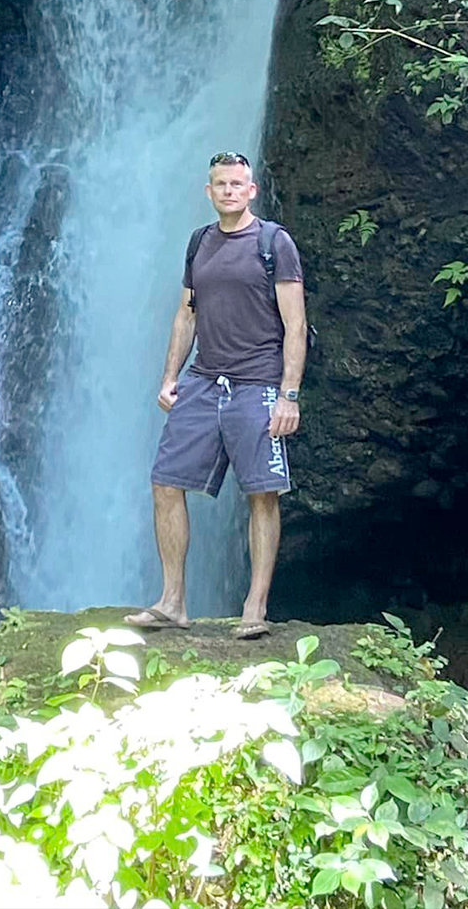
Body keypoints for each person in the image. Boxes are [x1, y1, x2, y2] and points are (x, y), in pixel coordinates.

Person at [126, 152, 307, 640]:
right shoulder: (199, 243)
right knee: (166, 482)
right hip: (203, 381)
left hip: (258, 385)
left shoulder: (274, 243)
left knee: (262, 495)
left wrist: (288, 395)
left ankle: (255, 606)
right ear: (209, 192)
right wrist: (170, 375)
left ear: (252, 191)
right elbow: (188, 313)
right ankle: (172, 601)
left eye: (238, 184)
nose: (229, 190)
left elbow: (296, 325)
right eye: (220, 183)